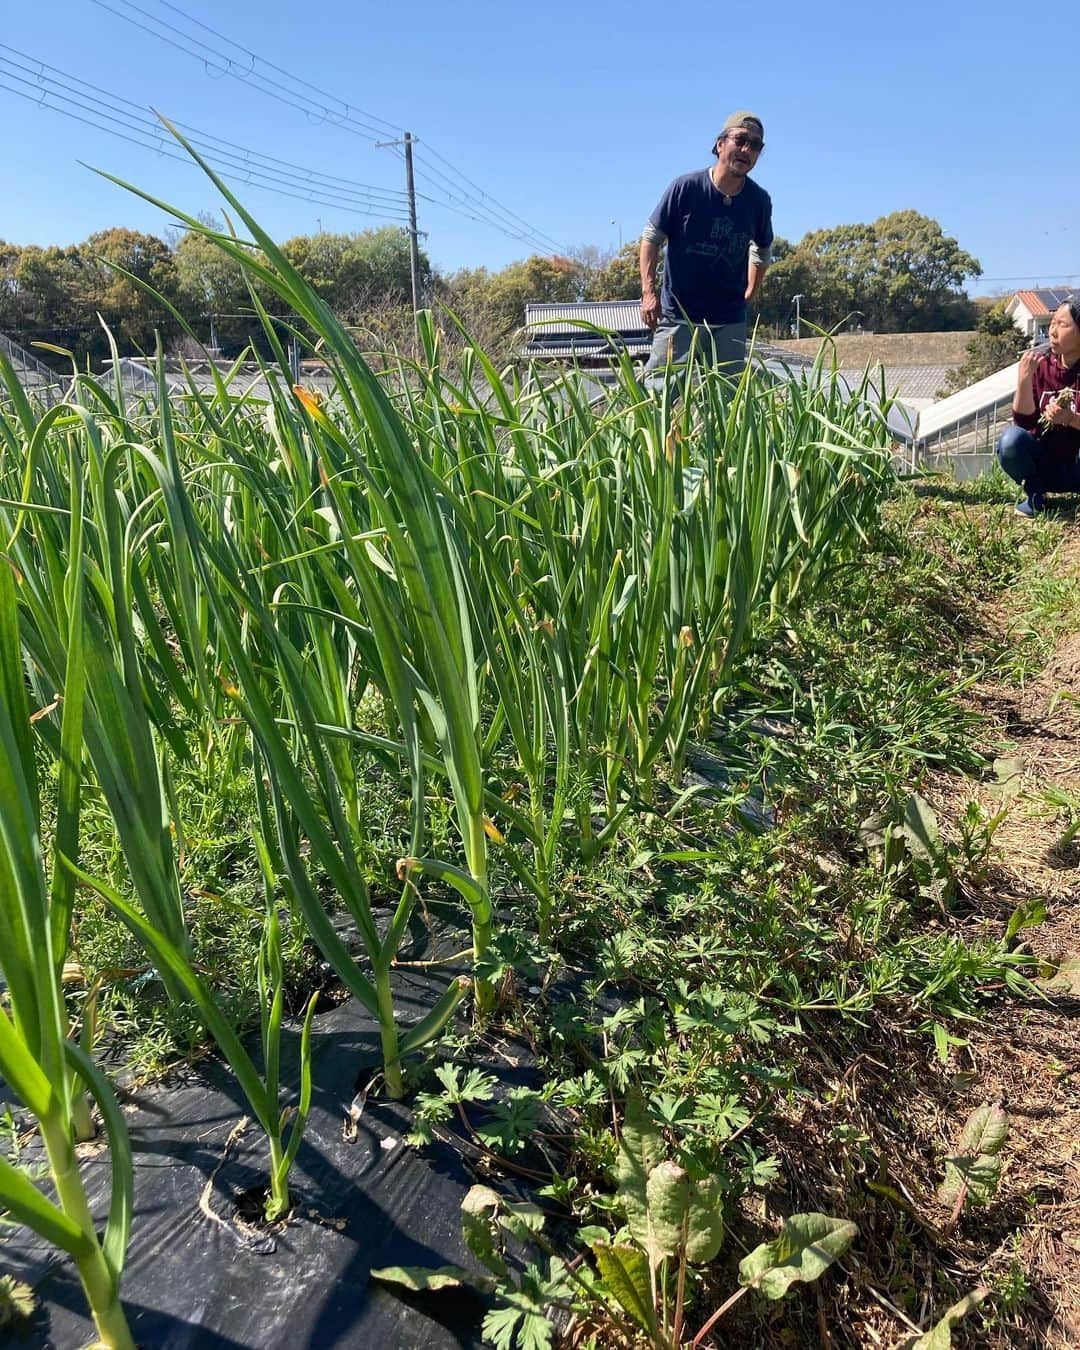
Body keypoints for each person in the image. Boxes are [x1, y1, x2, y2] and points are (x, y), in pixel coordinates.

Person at [639, 111, 773, 381]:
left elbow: (762, 250)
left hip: (728, 320)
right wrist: (648, 293)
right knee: (660, 395)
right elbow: (651, 237)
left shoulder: (758, 201)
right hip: (679, 316)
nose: (746, 149)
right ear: (720, 144)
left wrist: (750, 292)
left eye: (755, 145)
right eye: (740, 140)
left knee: (727, 400)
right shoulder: (686, 188)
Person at [997, 295, 1080, 517]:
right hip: (1047, 464)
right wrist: (1024, 380)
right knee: (1010, 440)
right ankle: (1036, 494)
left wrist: (1071, 419)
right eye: (1052, 323)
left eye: (1062, 325)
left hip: (1077, 466)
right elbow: (1024, 425)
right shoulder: (1042, 365)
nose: (1052, 331)